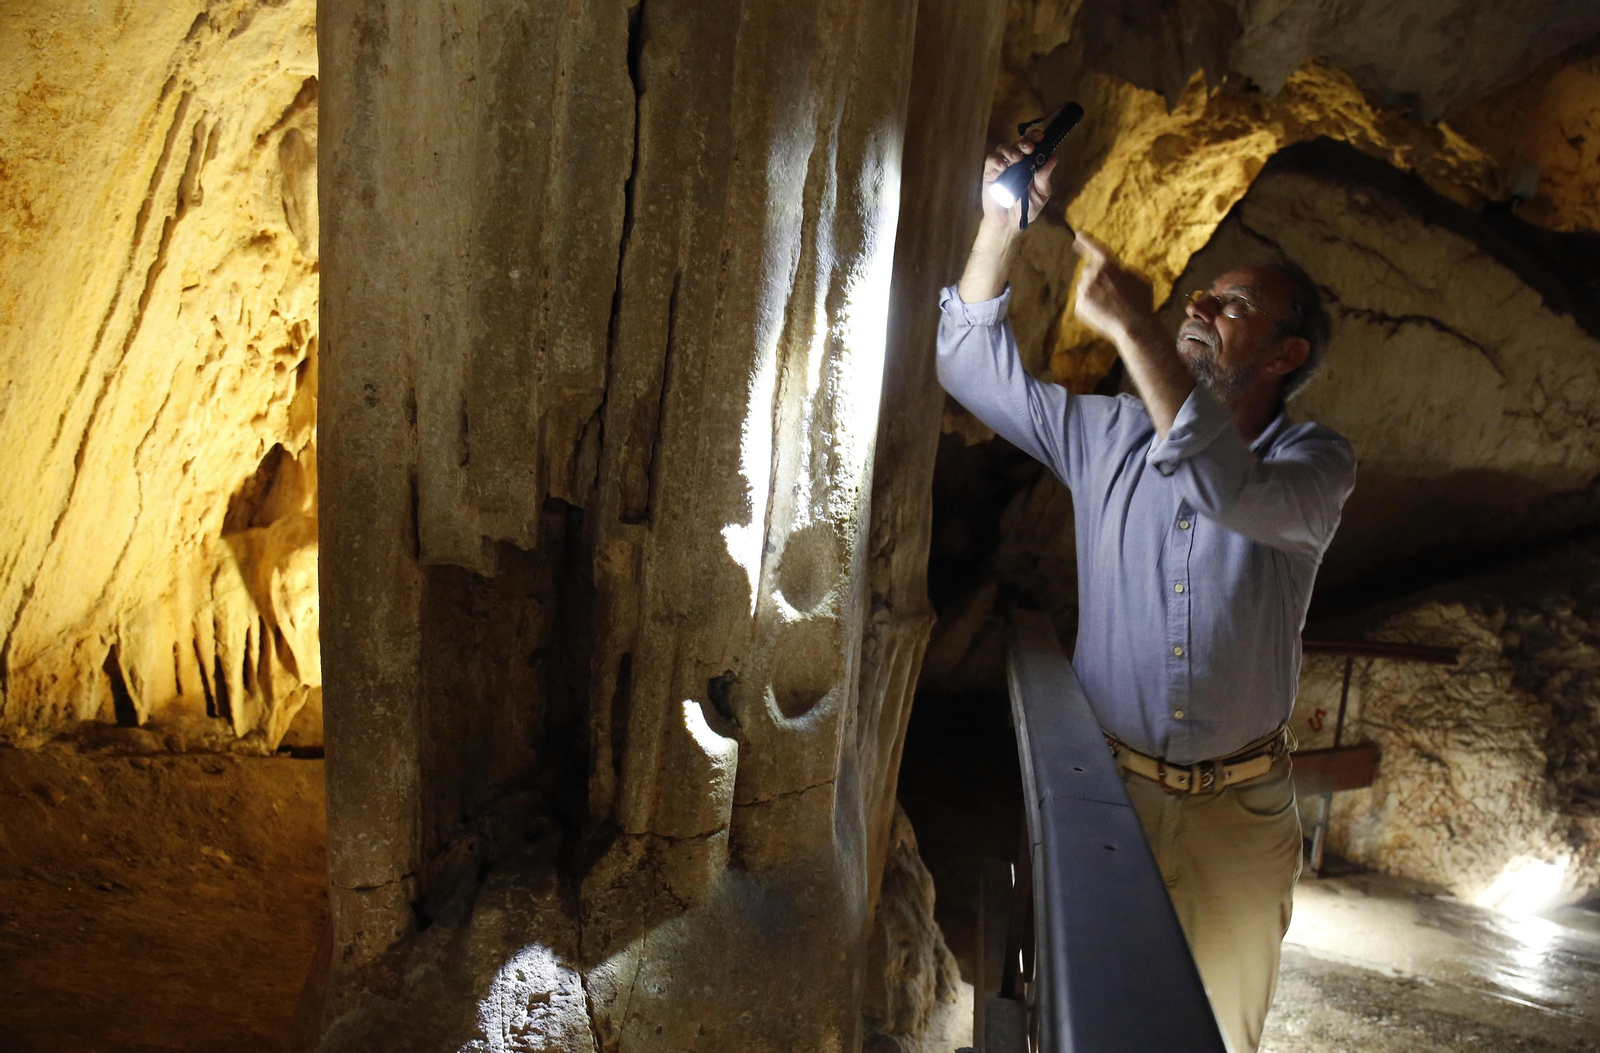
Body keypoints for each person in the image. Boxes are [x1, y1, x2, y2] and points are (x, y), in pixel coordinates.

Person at [936, 134, 1357, 1051]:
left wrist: (1135, 329)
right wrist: (1002, 223)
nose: (1201, 303)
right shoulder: (1109, 434)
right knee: (1081, 1020)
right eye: (1201, 293)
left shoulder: (1312, 463)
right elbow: (968, 365)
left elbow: (1226, 488)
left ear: (1286, 354)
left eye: (1233, 303)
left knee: (1215, 1035)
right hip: (1108, 791)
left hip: (1239, 816)